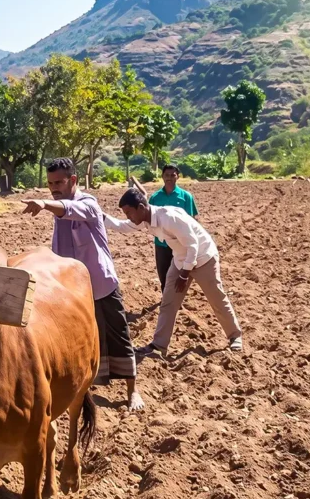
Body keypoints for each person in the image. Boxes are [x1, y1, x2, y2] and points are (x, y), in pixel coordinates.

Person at [21, 158, 146, 411]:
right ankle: (82, 388)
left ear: (73, 180)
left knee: (118, 335)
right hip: (72, 293)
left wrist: (45, 204)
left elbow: (69, 209)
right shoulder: (59, 208)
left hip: (100, 285)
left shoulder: (88, 203)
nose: (53, 187)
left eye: (59, 182)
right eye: (50, 183)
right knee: (80, 339)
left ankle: (133, 391)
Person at [104, 188, 243, 357]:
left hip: (203, 257)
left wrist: (184, 274)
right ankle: (159, 345)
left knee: (216, 298)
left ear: (141, 207)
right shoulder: (146, 219)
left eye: (129, 212)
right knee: (168, 303)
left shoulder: (169, 218)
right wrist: (100, 216)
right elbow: (124, 226)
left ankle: (235, 336)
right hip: (180, 260)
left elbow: (193, 245)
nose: (128, 217)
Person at [149, 165, 198, 292]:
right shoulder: (155, 198)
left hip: (180, 243)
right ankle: (166, 297)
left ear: (178, 177)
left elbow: (192, 220)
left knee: (180, 272)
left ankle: (176, 298)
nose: (169, 178)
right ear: (162, 177)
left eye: (172, 175)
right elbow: (150, 219)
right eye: (167, 175)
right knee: (163, 273)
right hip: (162, 243)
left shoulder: (186, 196)